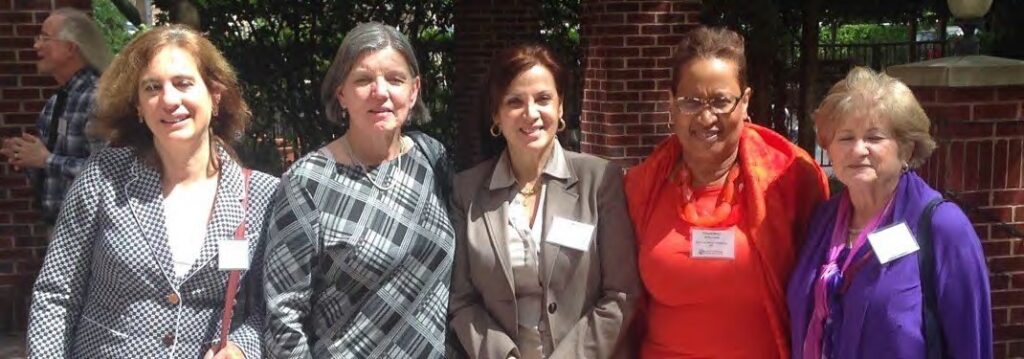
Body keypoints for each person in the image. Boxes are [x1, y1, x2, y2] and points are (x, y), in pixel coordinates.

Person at [25, 25, 278, 358]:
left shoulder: (263, 196)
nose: (170, 100)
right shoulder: (103, 178)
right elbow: (56, 295)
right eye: (152, 88)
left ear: (215, 95)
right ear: (138, 107)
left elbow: (276, 307)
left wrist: (243, 348)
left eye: (183, 83)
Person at [623, 26, 829, 358]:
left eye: (721, 101)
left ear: (745, 102)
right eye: (691, 102)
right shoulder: (640, 188)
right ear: (671, 104)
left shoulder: (791, 178)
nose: (706, 118)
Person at [263, 22, 455, 358]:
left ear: (414, 90)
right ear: (342, 94)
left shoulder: (432, 159)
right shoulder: (307, 182)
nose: (380, 92)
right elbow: (283, 316)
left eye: (395, 79)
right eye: (364, 79)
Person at [448, 44, 642, 359]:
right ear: (496, 115)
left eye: (543, 99)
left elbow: (620, 293)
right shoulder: (467, 191)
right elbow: (461, 299)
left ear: (561, 108)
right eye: (514, 101)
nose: (531, 113)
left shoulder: (600, 180)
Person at [787, 67, 992, 359]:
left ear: (906, 150)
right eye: (845, 138)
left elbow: (971, 343)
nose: (859, 150)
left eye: (874, 137)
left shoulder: (943, 227)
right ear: (828, 148)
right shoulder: (823, 219)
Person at [0, 8, 112, 225]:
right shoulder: (55, 103)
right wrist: (25, 156)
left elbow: (113, 173)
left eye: (45, 38)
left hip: (97, 234)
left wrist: (47, 160)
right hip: (62, 229)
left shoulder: (100, 99)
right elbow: (50, 175)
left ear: (71, 47)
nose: (36, 45)